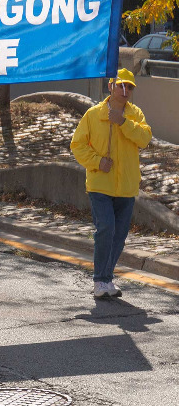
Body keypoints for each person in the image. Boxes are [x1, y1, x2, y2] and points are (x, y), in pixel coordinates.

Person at [71, 69, 152, 298]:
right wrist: (97, 161)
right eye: (121, 85)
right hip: (100, 185)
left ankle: (107, 279)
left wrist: (124, 123)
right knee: (106, 227)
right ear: (110, 86)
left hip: (126, 186)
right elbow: (77, 145)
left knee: (119, 235)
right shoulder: (93, 114)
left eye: (130, 87)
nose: (125, 90)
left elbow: (145, 139)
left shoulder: (135, 114)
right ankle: (99, 280)